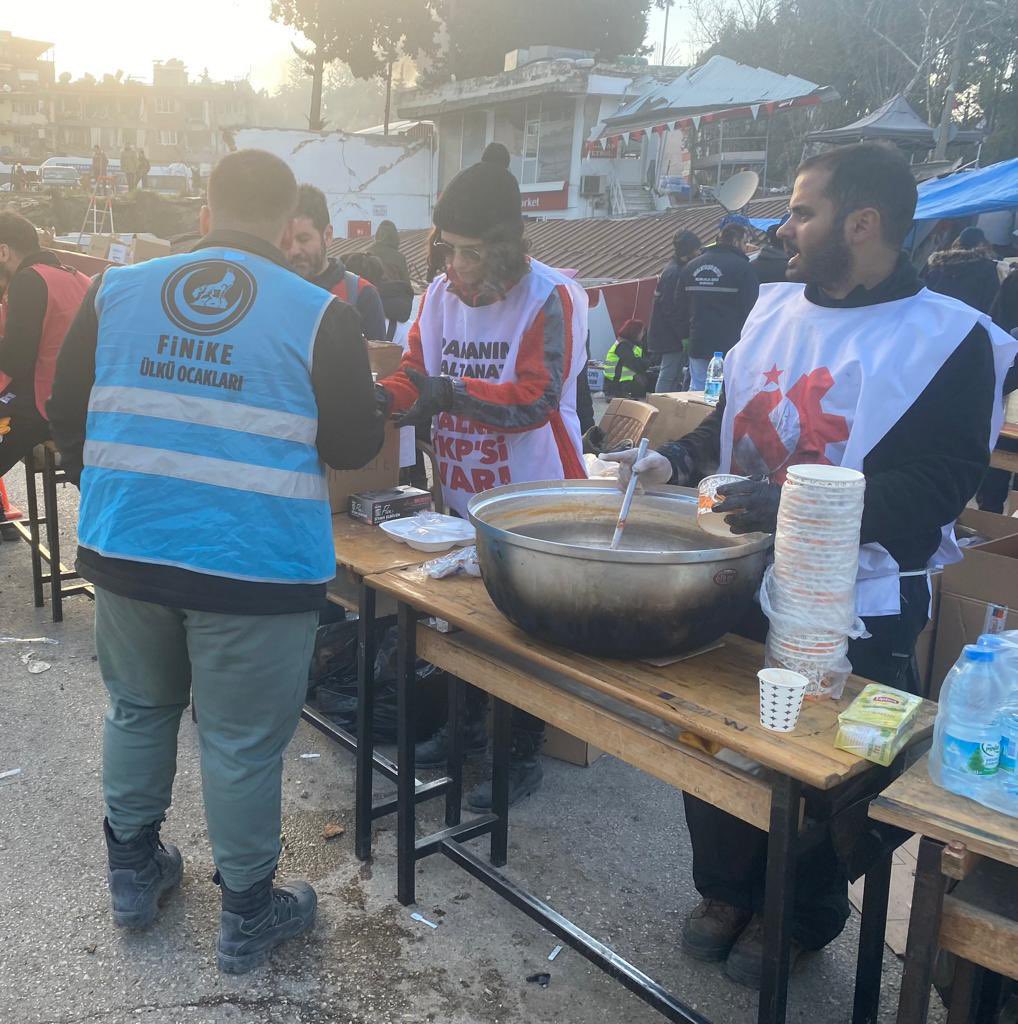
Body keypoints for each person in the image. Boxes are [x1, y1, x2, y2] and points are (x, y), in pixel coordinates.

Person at [604, 142, 1017, 989]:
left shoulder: (953, 341)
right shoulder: (773, 306)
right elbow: (734, 424)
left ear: (862, 224)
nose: (784, 227)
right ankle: (725, 890)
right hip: (740, 569)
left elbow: (939, 486)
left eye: (802, 211)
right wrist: (674, 466)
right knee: (719, 738)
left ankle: (798, 917)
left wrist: (793, 501)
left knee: (827, 769)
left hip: (857, 598)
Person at [47, 149, 385, 974]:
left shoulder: (118, 289)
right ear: (284, 222)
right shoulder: (316, 311)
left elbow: (66, 408)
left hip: (128, 549)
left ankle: (133, 875)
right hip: (255, 567)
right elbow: (355, 442)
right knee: (238, 744)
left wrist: (128, 493)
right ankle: (246, 916)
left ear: (205, 210)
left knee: (137, 708)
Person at [377, 142, 588, 811]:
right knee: (462, 620)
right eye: (449, 251)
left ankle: (516, 748)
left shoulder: (550, 297)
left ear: (506, 249)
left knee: (522, 631)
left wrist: (449, 393)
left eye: (473, 254)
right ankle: (463, 725)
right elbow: (415, 367)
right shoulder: (438, 295)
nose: (459, 268)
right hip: (464, 484)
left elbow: (533, 398)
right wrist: (386, 397)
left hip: (537, 494)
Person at [0, 212, 90, 494]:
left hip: (44, 407)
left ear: (3, 251)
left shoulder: (29, 280)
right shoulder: (79, 278)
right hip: (82, 405)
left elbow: (16, 360)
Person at [287, 185, 387, 341]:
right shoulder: (270, 292)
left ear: (327, 235)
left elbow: (376, 363)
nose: (293, 250)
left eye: (303, 239)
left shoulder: (362, 296)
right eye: (286, 240)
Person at [677, 216, 759, 392]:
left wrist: (685, 337)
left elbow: (679, 308)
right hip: (729, 345)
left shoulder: (690, 267)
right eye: (745, 242)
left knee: (698, 390)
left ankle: (698, 418)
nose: (746, 247)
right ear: (736, 241)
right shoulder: (744, 268)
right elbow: (751, 310)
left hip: (697, 342)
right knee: (723, 393)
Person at [647, 229, 701, 393]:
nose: (699, 253)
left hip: (670, 334)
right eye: (697, 249)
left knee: (673, 374)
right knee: (668, 374)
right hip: (671, 335)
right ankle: (659, 409)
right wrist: (683, 335)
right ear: (689, 251)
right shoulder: (675, 273)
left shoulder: (674, 269)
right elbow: (672, 309)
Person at [923, 225, 1000, 314]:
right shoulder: (988, 268)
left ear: (958, 242)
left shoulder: (939, 264)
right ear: (982, 244)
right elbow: (991, 302)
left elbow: (926, 291)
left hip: (937, 316)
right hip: (968, 320)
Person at [603, 318, 655, 398]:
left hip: (621, 383)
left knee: (652, 378)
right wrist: (649, 363)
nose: (643, 334)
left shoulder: (630, 345)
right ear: (635, 333)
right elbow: (634, 363)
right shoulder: (622, 345)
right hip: (616, 386)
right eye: (642, 332)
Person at [368, 219, 412, 284]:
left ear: (377, 234)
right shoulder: (399, 257)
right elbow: (407, 286)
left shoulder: (368, 252)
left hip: (372, 292)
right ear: (394, 236)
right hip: (394, 293)